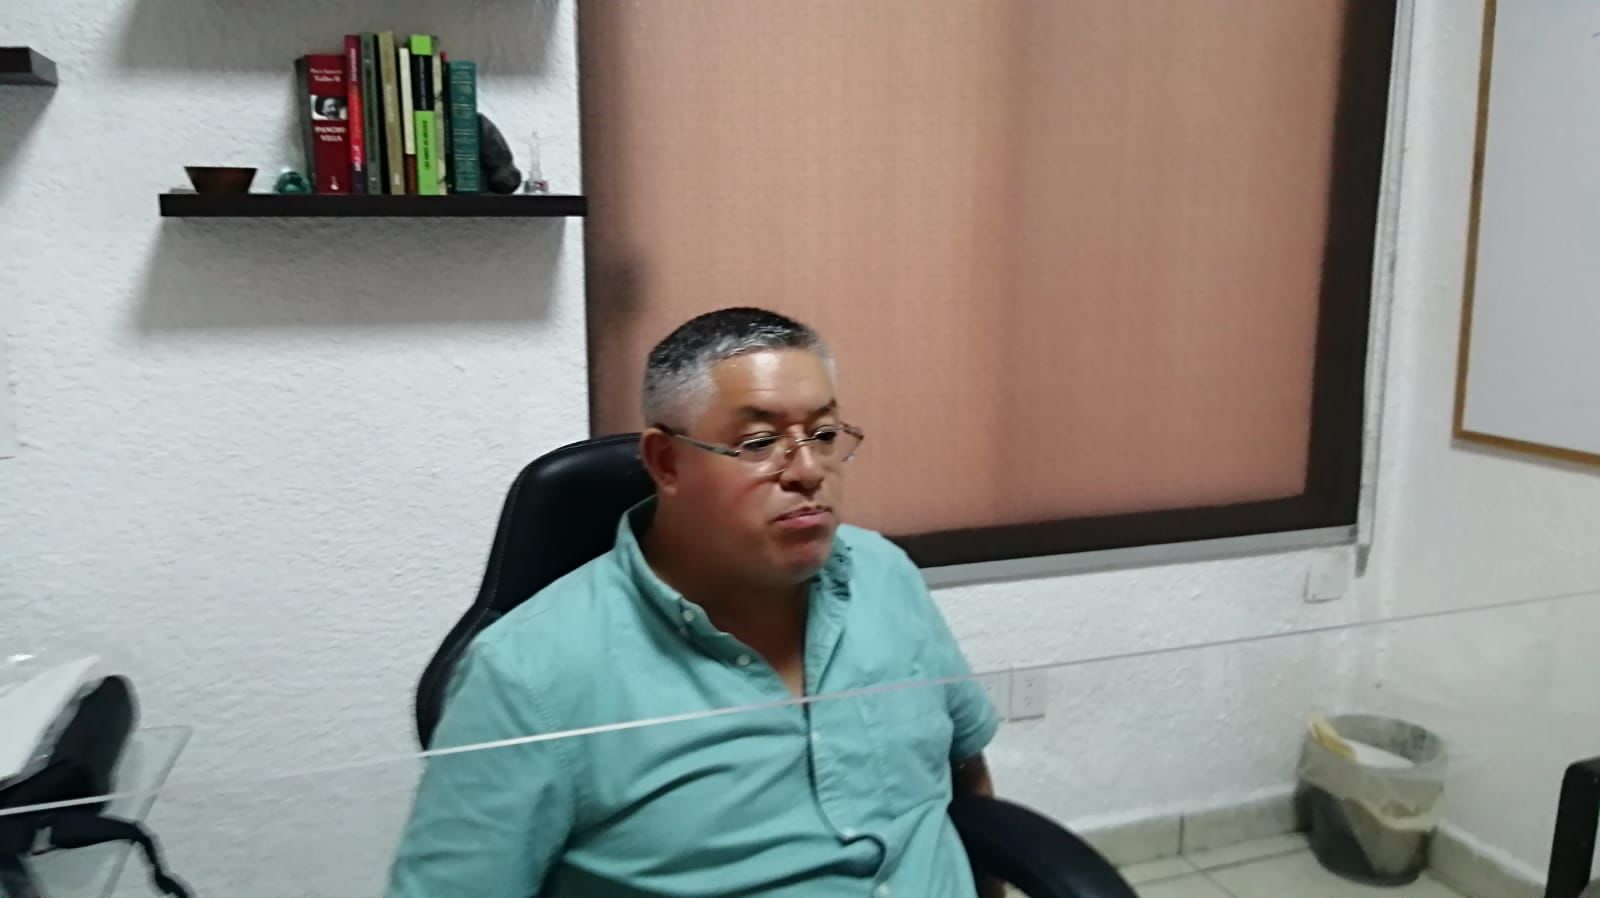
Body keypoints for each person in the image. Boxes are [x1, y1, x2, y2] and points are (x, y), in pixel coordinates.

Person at [386, 307, 1002, 898]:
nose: (809, 470)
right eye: (759, 442)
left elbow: (964, 770)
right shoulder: (527, 675)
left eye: (822, 435)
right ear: (667, 462)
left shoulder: (884, 575)